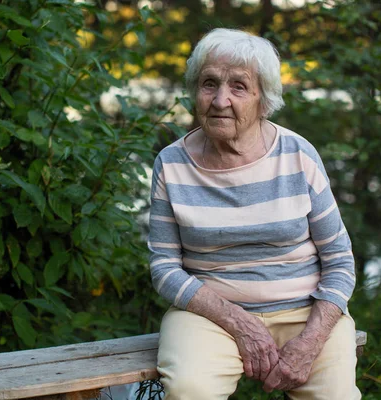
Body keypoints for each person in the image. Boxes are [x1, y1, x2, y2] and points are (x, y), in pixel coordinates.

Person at [148, 28, 360, 399]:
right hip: (209, 316)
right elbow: (164, 268)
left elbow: (340, 260)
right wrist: (235, 320)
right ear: (194, 92)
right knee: (188, 391)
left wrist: (312, 337)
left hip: (306, 313)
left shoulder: (298, 155)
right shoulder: (171, 164)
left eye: (239, 87)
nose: (220, 100)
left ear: (264, 99)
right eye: (209, 84)